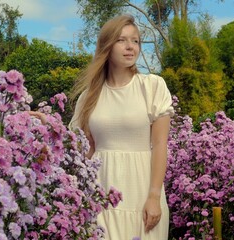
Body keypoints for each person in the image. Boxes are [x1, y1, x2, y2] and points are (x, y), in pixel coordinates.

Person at [68, 14, 174, 239]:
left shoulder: (152, 86)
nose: (130, 47)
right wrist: (48, 125)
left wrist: (154, 197)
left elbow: (159, 144)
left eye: (135, 41)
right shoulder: (89, 97)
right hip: (99, 194)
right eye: (122, 40)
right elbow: (83, 150)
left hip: (143, 194)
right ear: (107, 45)